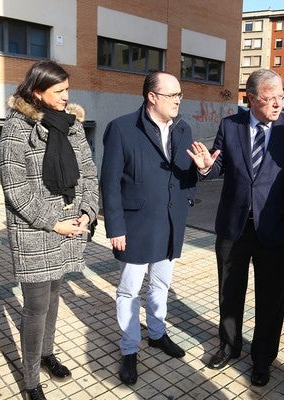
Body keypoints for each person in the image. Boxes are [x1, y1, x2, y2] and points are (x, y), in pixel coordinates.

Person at [188, 69, 284, 387]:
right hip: (234, 228)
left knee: (271, 299)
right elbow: (218, 165)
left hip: (277, 233)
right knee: (230, 293)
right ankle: (228, 346)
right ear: (250, 99)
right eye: (270, 99)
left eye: (281, 98)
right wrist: (205, 168)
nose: (277, 105)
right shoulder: (231, 125)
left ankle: (262, 359)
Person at [0, 60, 98, 400]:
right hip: (36, 230)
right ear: (37, 92)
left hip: (69, 225)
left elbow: (87, 173)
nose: (66, 96)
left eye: (67, 89)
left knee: (54, 296)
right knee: (36, 306)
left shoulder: (72, 125)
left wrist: (87, 211)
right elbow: (15, 191)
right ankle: (30, 381)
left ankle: (47, 354)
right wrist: (53, 221)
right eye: (59, 91)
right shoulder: (17, 128)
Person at [100, 71, 198, 385]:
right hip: (136, 226)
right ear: (152, 97)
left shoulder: (183, 129)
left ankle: (157, 333)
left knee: (160, 286)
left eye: (180, 94)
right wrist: (115, 226)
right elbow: (110, 182)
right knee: (129, 290)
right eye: (172, 95)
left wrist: (204, 170)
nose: (178, 100)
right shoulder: (122, 128)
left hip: (170, 223)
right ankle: (129, 348)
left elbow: (186, 177)